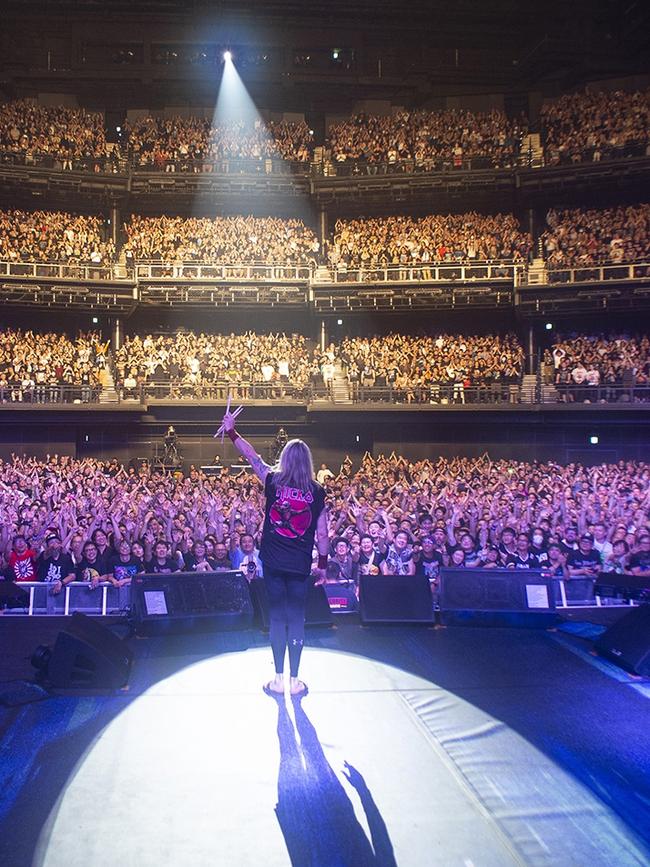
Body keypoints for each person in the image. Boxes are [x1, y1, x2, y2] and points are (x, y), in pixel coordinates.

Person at [219, 406, 329, 696]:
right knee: (297, 619)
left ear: (285, 459)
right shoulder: (317, 491)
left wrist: (231, 431)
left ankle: (278, 679)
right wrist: (324, 566)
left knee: (277, 619)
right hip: (300, 564)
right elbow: (323, 534)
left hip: (274, 562)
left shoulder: (272, 480)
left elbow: (251, 456)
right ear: (308, 461)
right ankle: (295, 681)